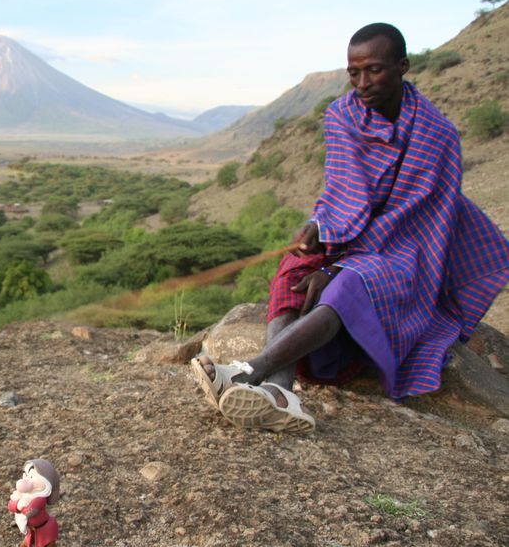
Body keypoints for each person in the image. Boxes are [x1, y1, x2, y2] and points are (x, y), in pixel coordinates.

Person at [191, 22, 509, 434]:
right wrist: (316, 226)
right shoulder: (342, 116)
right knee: (293, 272)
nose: (362, 82)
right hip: (351, 238)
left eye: (374, 70)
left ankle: (247, 372)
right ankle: (280, 393)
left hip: (410, 252)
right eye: (354, 72)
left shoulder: (437, 135)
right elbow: (342, 192)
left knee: (347, 285)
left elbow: (417, 220)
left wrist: (336, 269)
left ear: (403, 66)